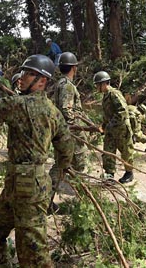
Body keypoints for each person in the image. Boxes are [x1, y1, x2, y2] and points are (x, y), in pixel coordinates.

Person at [0, 54, 73, 267]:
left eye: (29, 74)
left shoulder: (19, 105)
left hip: (27, 189)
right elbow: (66, 152)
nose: (22, 77)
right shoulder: (54, 113)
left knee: (33, 255)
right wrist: (51, 181)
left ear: (42, 81)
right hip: (19, 186)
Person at [50, 52, 90, 209]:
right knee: (79, 166)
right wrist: (77, 129)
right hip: (71, 133)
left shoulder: (60, 84)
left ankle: (46, 200)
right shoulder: (66, 85)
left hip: (63, 131)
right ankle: (84, 204)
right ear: (74, 68)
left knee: (61, 166)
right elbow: (67, 111)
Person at [94, 71, 135, 184]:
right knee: (108, 152)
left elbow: (122, 111)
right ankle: (109, 174)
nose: (96, 87)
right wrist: (104, 125)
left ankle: (129, 173)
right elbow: (108, 114)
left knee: (126, 152)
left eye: (98, 84)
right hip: (111, 130)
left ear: (104, 84)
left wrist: (110, 125)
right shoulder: (106, 96)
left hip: (121, 129)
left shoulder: (114, 94)